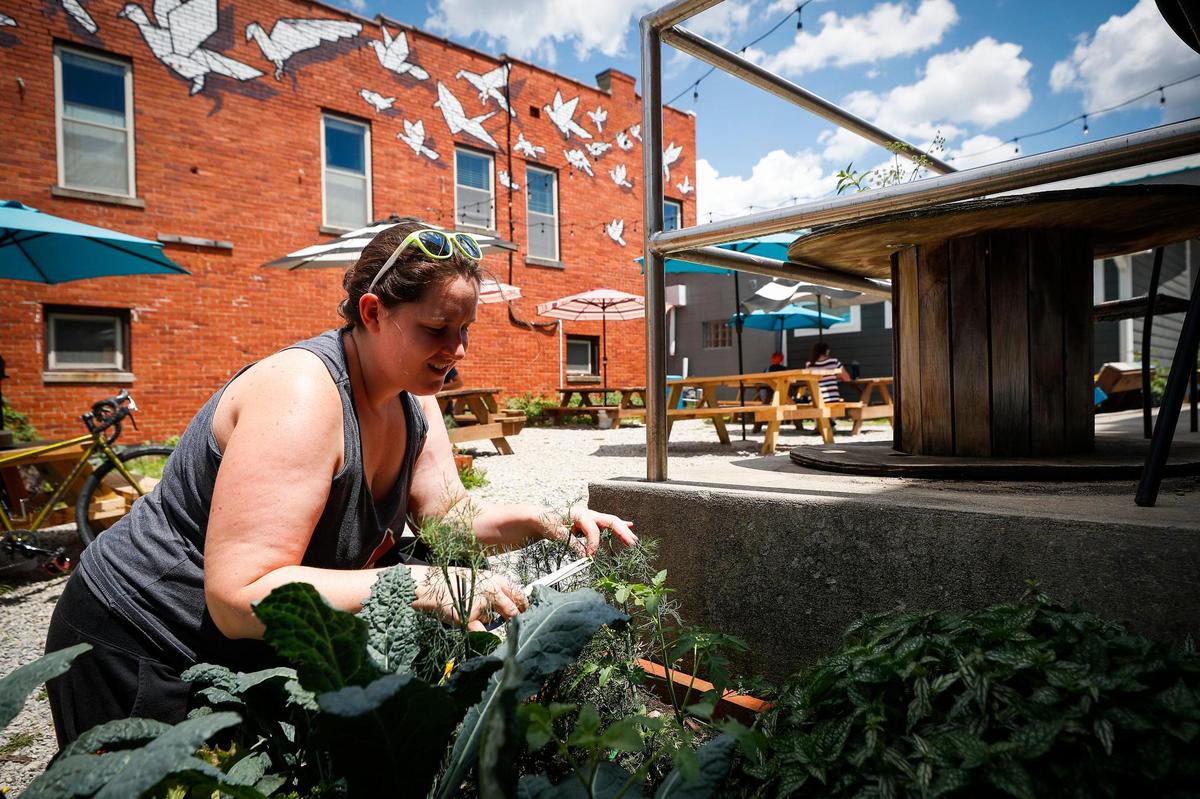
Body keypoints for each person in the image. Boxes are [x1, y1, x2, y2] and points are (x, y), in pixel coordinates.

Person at [44, 219, 636, 748]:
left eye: (465, 329)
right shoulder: (303, 396)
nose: (457, 351)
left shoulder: (413, 400)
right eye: (436, 329)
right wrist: (414, 584)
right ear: (374, 313)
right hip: (141, 638)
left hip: (238, 648)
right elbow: (238, 597)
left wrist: (546, 520)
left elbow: (449, 513)